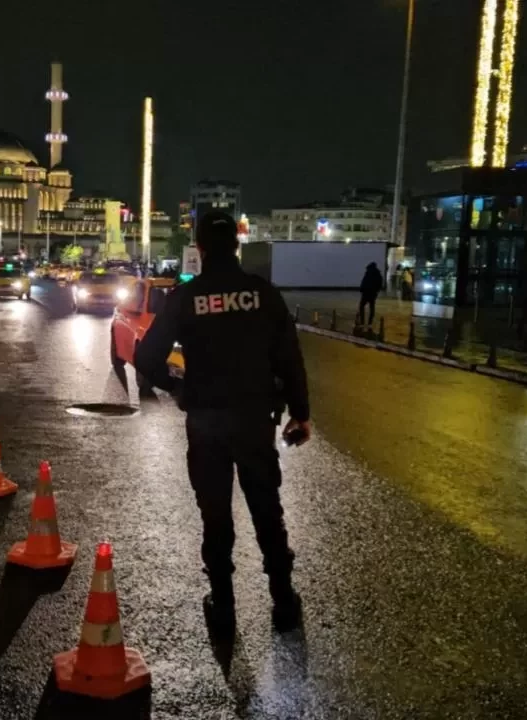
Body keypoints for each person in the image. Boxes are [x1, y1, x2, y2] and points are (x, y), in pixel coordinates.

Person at [134, 210, 310, 635]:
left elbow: (146, 358)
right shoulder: (262, 294)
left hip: (206, 423)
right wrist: (300, 413)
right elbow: (290, 358)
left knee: (216, 517)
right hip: (254, 422)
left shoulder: (186, 298)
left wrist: (179, 390)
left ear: (199, 248)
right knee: (267, 512)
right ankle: (283, 603)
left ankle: (224, 606)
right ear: (237, 245)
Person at [358, 261, 384, 327]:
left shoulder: (368, 273)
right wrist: (376, 291)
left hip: (366, 293)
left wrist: (361, 289)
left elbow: (364, 282)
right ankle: (370, 323)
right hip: (373, 294)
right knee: (372, 308)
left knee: (361, 306)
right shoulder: (378, 274)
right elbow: (380, 284)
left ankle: (362, 322)